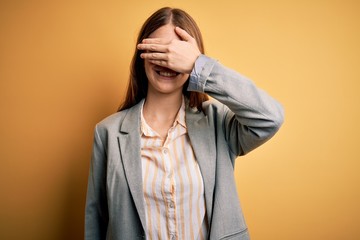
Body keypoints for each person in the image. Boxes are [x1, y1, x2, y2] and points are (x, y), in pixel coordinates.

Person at [85, 7, 284, 240]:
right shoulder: (107, 133)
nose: (168, 61)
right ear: (142, 55)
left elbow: (270, 118)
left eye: (177, 53)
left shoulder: (217, 123)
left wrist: (200, 66)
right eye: (159, 50)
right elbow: (96, 221)